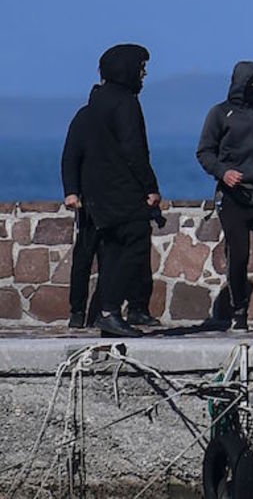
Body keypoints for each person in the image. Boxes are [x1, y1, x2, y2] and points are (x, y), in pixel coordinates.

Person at [77, 44, 161, 337]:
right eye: (141, 67)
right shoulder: (125, 102)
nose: (144, 73)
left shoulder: (96, 102)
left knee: (112, 251)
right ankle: (111, 311)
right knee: (135, 245)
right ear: (127, 70)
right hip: (122, 192)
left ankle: (107, 314)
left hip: (98, 192)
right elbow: (134, 149)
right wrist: (150, 186)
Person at [197, 61, 253, 331]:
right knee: (238, 256)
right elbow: (204, 152)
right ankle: (239, 313)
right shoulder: (219, 113)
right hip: (234, 195)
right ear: (240, 83)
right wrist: (223, 172)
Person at [61, 85, 104, 329]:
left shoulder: (83, 118)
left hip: (94, 198)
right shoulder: (89, 119)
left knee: (87, 257)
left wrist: (71, 191)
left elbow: (69, 158)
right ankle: (81, 311)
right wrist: (72, 192)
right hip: (93, 200)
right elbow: (71, 157)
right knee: (88, 255)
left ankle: (81, 312)